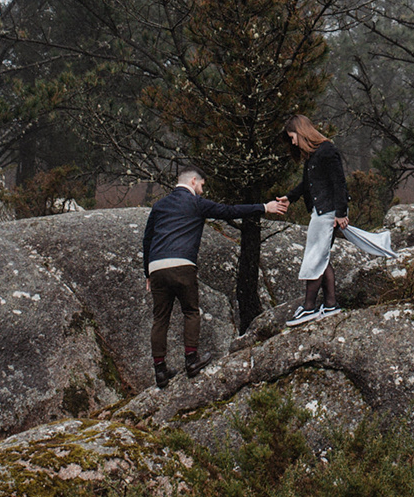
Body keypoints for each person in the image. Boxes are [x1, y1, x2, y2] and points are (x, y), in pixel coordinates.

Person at [141, 168, 287, 386]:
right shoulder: (196, 203)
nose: (202, 190)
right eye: (201, 185)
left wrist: (148, 273)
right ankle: (191, 360)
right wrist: (264, 207)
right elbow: (229, 211)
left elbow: (147, 239)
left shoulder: (159, 206)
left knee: (160, 318)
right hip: (182, 264)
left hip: (157, 266)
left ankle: (160, 371)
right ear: (193, 181)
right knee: (190, 311)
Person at [281, 114, 348, 326]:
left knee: (315, 258)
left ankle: (309, 307)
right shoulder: (313, 156)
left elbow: (339, 183)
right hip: (320, 213)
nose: (292, 141)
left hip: (328, 213)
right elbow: (307, 184)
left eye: (292, 136)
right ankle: (330, 305)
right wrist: (289, 198)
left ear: (301, 132)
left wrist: (341, 213)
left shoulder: (327, 150)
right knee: (321, 258)